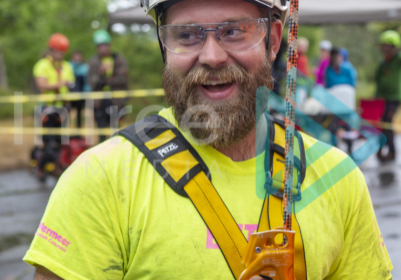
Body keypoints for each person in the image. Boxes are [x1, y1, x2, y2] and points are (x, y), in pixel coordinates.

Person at [25, 0, 393, 279]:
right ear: (164, 46)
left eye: (234, 31)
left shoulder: (338, 178)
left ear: (275, 41)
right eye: (187, 35)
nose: (212, 56)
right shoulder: (102, 179)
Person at [32, 33, 75, 179]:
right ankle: (40, 169)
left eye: (63, 53)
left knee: (60, 140)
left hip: (62, 108)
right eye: (59, 52)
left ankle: (57, 167)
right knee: (44, 141)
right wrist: (60, 84)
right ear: (52, 50)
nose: (61, 55)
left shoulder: (67, 66)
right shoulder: (42, 65)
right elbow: (41, 85)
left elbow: (70, 85)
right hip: (46, 107)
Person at [87, 30, 129, 143]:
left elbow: (123, 79)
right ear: (97, 47)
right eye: (100, 46)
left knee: (116, 131)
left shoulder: (118, 59)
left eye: (105, 45)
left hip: (116, 100)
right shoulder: (93, 62)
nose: (103, 48)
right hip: (99, 102)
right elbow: (91, 82)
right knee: (101, 130)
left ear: (109, 45)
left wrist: (109, 80)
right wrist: (100, 73)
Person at [376, 30, 401, 162]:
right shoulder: (384, 62)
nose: (382, 47)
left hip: (394, 98)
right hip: (382, 98)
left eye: (385, 45)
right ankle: (383, 148)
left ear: (392, 46)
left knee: (388, 123)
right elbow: (378, 80)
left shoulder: (398, 60)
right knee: (383, 123)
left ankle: (392, 151)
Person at [69, 50, 90, 128]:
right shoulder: (68, 66)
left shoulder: (85, 68)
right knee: (66, 113)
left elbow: (86, 83)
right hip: (69, 96)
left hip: (81, 96)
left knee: (79, 115)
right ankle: (66, 134)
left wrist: (87, 93)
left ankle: (78, 134)